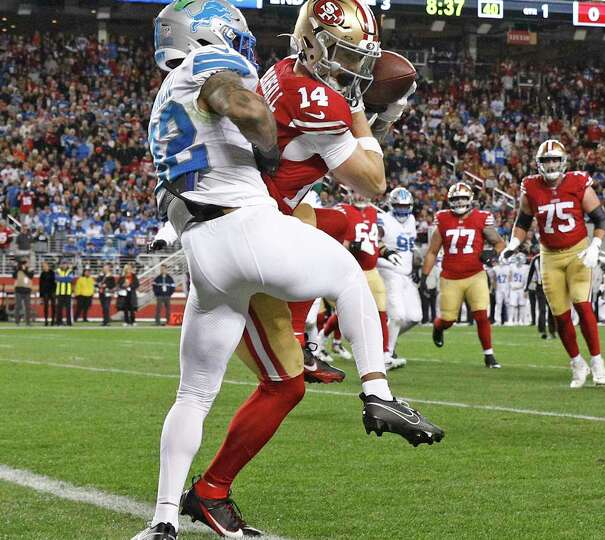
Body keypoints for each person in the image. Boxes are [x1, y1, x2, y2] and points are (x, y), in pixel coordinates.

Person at [133, 3, 442, 539]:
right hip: (244, 226)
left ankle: (163, 521)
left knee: (194, 395)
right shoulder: (214, 68)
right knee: (348, 274)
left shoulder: (168, 96)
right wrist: (269, 144)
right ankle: (379, 395)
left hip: (204, 246)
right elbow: (240, 105)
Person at [501, 140, 605, 388]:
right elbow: (523, 221)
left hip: (578, 252)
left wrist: (595, 246)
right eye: (546, 160)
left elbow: (600, 217)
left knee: (582, 305)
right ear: (539, 163)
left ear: (563, 162)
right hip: (549, 256)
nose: (551, 164)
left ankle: (597, 360)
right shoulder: (530, 186)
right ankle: (577, 363)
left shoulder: (578, 181)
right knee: (560, 316)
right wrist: (513, 244)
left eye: (555, 160)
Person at [423, 182, 506, 368]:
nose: (459, 201)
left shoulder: (481, 218)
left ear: (470, 199)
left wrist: (492, 254)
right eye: (455, 198)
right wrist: (424, 276)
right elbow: (432, 251)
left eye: (462, 198)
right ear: (449, 201)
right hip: (450, 277)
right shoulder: (443, 219)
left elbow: (500, 244)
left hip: (475, 275)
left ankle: (489, 355)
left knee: (481, 315)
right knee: (448, 320)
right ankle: (438, 327)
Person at [377, 187, 422, 365]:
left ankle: (384, 344)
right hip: (388, 270)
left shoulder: (411, 220)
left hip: (406, 273)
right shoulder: (384, 219)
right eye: (398, 206)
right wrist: (385, 250)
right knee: (397, 316)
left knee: (414, 317)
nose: (402, 209)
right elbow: (377, 237)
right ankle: (385, 355)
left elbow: (410, 248)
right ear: (391, 205)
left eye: (406, 206)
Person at [12, 258, 33, 326]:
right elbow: (14, 276)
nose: (25, 264)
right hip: (18, 290)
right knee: (18, 306)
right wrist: (18, 268)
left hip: (27, 290)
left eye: (26, 262)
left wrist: (24, 269)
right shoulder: (18, 269)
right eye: (24, 263)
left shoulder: (30, 269)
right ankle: (17, 322)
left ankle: (28, 322)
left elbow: (30, 276)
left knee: (28, 307)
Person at [54, 260, 75, 326]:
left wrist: (61, 279)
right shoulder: (57, 270)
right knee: (59, 308)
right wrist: (65, 279)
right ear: (60, 264)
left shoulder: (70, 271)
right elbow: (56, 278)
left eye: (65, 264)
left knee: (68, 308)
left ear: (67, 264)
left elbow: (70, 279)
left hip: (68, 293)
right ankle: (58, 322)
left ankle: (69, 322)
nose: (64, 265)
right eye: (63, 264)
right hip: (59, 293)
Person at [38, 262, 55, 326]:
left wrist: (55, 291)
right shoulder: (42, 274)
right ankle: (46, 320)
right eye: (43, 266)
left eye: (45, 266)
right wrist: (41, 295)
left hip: (52, 291)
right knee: (46, 307)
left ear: (48, 266)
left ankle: (53, 320)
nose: (44, 267)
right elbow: (40, 284)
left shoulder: (52, 273)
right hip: (45, 292)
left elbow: (55, 282)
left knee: (53, 306)